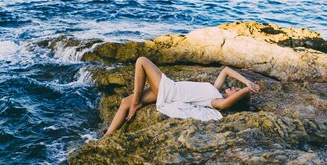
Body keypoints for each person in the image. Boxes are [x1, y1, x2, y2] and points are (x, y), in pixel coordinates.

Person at [104, 56, 260, 136]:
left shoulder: (217, 102)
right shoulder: (215, 90)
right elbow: (226, 70)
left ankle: (136, 102)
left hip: (170, 91)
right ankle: (108, 136)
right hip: (169, 90)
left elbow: (226, 104)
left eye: (236, 90)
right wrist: (247, 82)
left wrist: (246, 90)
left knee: (142, 61)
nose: (233, 86)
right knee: (125, 102)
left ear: (236, 98)